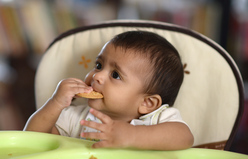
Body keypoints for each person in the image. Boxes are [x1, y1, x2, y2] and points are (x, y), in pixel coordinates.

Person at [24, 31, 194, 150]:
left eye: (115, 74)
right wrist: (56, 102)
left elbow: (185, 138)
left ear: (147, 103)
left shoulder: (158, 120)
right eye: (99, 65)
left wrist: (132, 135)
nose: (97, 76)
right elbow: (31, 140)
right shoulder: (78, 118)